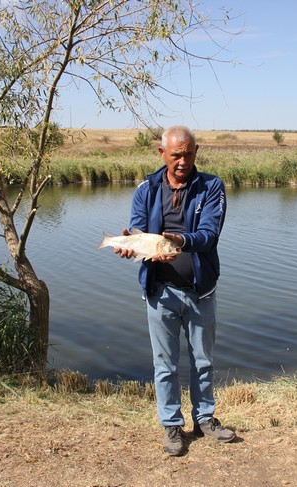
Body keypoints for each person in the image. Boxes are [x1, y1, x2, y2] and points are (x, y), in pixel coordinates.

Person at [113, 125, 235, 456]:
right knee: (164, 364)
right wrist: (131, 242)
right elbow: (139, 227)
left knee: (203, 361)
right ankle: (171, 426)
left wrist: (179, 241)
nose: (182, 161)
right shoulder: (146, 188)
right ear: (162, 153)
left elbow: (209, 235)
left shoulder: (211, 186)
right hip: (160, 291)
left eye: (188, 154)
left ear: (197, 152)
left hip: (200, 291)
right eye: (176, 154)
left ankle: (205, 419)